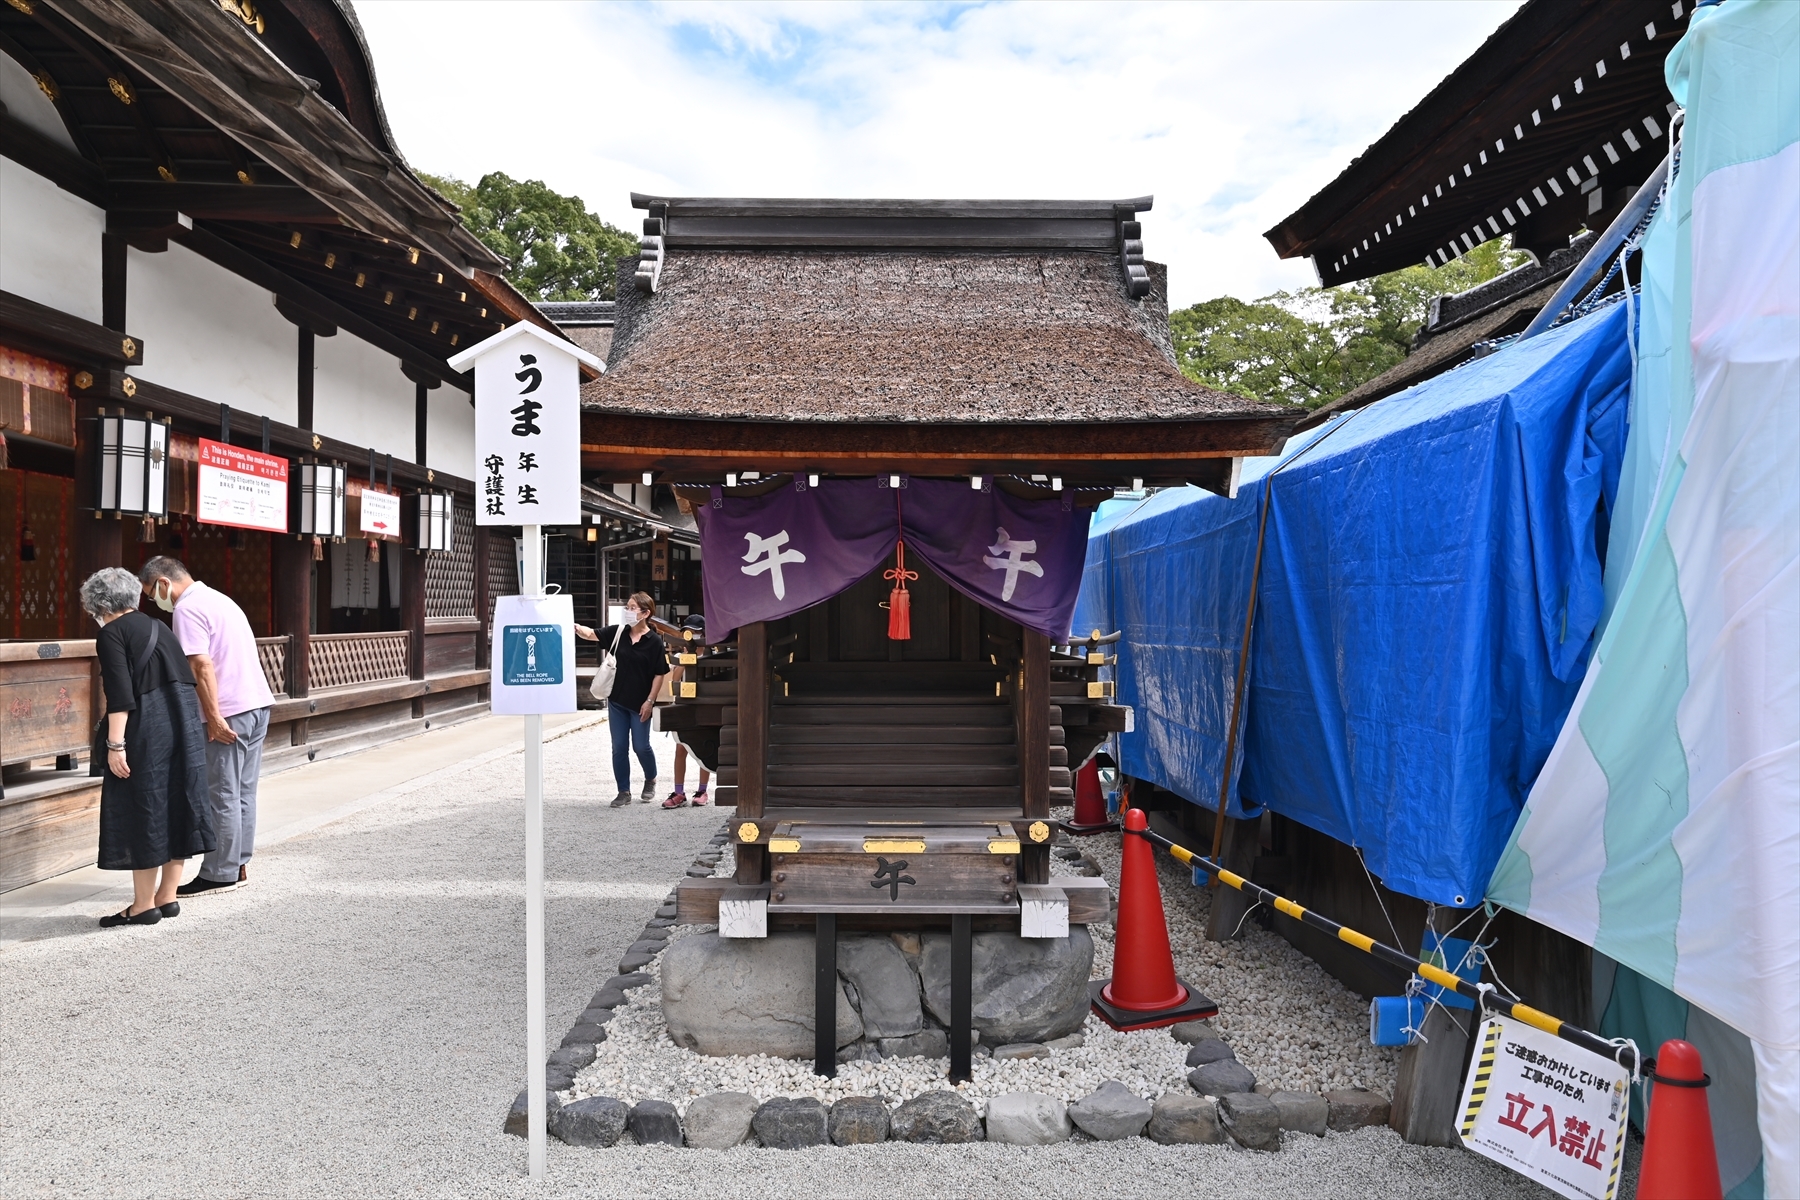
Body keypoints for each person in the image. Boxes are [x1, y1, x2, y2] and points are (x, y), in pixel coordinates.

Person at [81, 567, 214, 927]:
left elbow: (121, 697)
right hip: (183, 722)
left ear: (98, 603)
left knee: (145, 806)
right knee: (177, 801)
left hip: (148, 728)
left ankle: (142, 906)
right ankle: (166, 897)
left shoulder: (111, 634)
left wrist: (115, 745)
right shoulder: (159, 626)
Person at [138, 556, 275, 898]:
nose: (156, 602)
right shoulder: (220, 599)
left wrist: (213, 717)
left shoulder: (187, 609)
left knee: (222, 793)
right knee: (243, 791)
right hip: (257, 702)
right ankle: (238, 863)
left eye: (152, 594)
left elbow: (200, 666)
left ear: (164, 584)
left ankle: (220, 873)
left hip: (228, 710)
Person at [574, 592, 669, 807]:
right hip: (617, 701)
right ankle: (623, 791)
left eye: (633, 607)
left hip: (640, 703)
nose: (628, 611)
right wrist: (577, 628)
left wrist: (650, 701)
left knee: (641, 746)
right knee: (619, 746)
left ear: (646, 613)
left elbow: (659, 673)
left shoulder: (654, 642)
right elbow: (592, 634)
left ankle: (651, 778)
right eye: (627, 607)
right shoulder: (618, 633)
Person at [661, 615, 712, 809]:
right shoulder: (680, 657)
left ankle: (702, 789)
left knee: (704, 747)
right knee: (680, 748)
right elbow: (674, 680)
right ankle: (679, 791)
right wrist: (684, 660)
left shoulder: (710, 656)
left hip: (704, 705)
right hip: (684, 706)